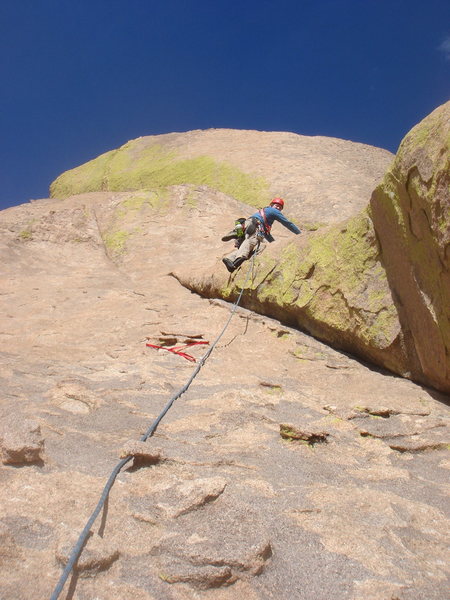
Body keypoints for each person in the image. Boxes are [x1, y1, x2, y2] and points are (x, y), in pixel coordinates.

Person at [222, 198, 301, 273]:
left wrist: (272, 242)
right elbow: (287, 223)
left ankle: (229, 258)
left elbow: (267, 234)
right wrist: (299, 233)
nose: (278, 208)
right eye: (276, 205)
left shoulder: (264, 213)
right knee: (251, 242)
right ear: (271, 205)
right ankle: (237, 261)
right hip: (254, 226)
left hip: (247, 225)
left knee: (249, 247)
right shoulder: (273, 211)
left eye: (280, 207)